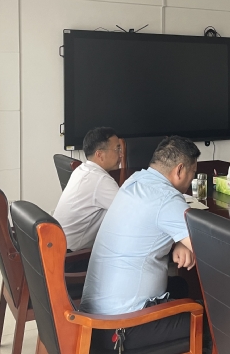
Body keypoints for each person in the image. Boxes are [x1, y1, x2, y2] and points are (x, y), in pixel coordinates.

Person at [79, 136, 201, 352]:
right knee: (215, 323)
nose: (192, 180)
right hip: (122, 327)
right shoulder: (166, 198)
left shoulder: (134, 181)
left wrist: (180, 241)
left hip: (93, 319)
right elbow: (210, 251)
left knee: (181, 286)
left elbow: (154, 224)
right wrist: (186, 240)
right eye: (193, 173)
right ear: (180, 170)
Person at [53, 127, 121, 252]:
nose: (121, 154)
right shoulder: (100, 180)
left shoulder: (82, 169)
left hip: (56, 244)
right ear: (100, 154)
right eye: (117, 149)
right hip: (70, 256)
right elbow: (130, 212)